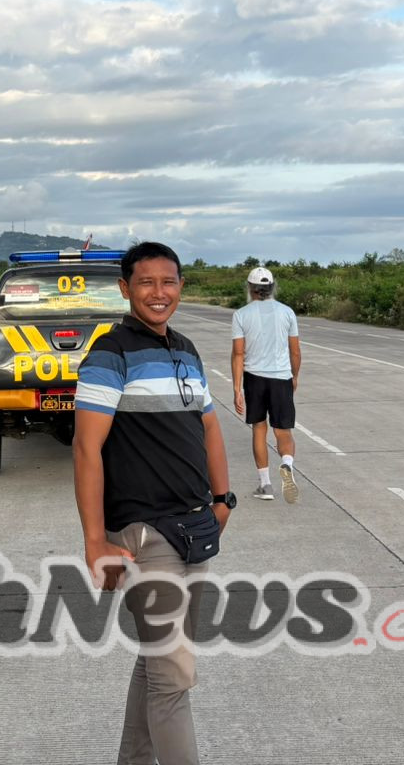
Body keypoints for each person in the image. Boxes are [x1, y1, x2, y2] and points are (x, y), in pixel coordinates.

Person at [73, 242, 234, 765]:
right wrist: (95, 540)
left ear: (181, 287)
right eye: (146, 283)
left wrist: (222, 498)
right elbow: (86, 447)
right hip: (146, 534)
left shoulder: (185, 349)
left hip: (194, 529)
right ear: (125, 289)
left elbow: (208, 424)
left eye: (169, 282)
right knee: (174, 677)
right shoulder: (110, 353)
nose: (158, 293)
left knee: (158, 665)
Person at [230, 266, 302, 503]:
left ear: (250, 288)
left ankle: (266, 485)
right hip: (281, 377)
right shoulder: (287, 313)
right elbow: (295, 351)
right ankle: (287, 463)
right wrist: (295, 376)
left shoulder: (241, 314)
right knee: (283, 431)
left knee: (259, 430)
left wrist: (237, 389)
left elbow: (238, 354)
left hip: (255, 379)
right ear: (272, 288)